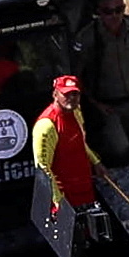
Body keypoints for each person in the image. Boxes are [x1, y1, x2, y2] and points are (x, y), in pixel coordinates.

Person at [72, 0, 129, 161]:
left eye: (119, 9)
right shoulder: (87, 37)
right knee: (121, 149)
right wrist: (96, 104)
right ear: (98, 13)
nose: (115, 16)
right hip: (106, 106)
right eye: (108, 11)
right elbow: (76, 77)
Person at [32, 75, 100, 213]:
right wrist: (58, 201)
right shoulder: (46, 125)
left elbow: (81, 143)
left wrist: (96, 162)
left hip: (85, 189)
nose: (72, 98)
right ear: (55, 94)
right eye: (66, 94)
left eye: (75, 93)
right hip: (64, 198)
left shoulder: (76, 112)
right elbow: (43, 168)